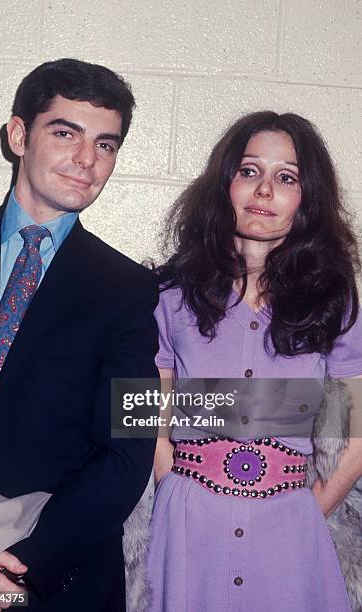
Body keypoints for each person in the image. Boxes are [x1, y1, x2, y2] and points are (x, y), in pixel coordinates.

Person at [0, 58, 159, 611]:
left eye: (106, 144)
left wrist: (17, 568)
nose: (86, 160)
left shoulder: (132, 291)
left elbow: (129, 453)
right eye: (66, 133)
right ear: (19, 135)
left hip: (58, 577)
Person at [147, 111, 362, 611]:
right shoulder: (167, 294)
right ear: (224, 184)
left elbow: (359, 427)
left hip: (291, 531)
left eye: (285, 177)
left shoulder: (337, 301)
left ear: (307, 197)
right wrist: (174, 495)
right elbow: (144, 413)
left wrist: (310, 510)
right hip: (186, 528)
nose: (263, 191)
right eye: (248, 171)